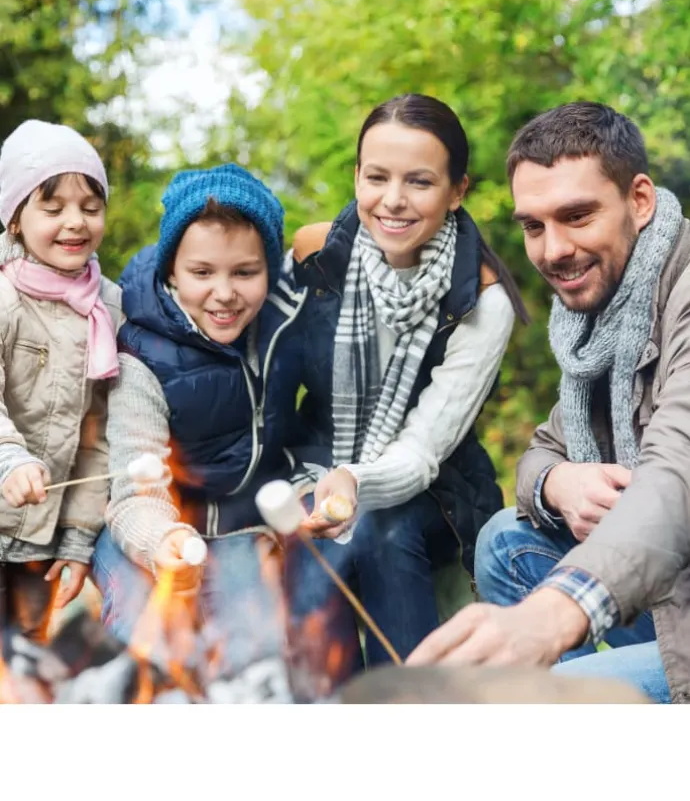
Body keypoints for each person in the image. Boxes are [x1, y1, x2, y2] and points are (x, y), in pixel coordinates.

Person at [407, 101, 690, 705]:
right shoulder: (599, 319)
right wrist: (557, 481)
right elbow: (544, 448)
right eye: (534, 227)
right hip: (669, 587)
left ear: (640, 200)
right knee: (505, 539)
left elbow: (675, 477)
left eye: (577, 216)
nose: (553, 249)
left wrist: (555, 614)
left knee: (546, 698)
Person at [91, 163, 361, 691]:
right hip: (149, 531)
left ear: (269, 269)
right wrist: (163, 538)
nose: (224, 293)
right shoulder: (141, 355)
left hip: (242, 529)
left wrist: (310, 487)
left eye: (244, 272)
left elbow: (319, 425)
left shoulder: (284, 329)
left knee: (254, 658)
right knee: (149, 643)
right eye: (202, 272)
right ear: (172, 272)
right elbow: (132, 493)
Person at [290, 93, 528, 665]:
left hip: (438, 491)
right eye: (377, 177)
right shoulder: (315, 253)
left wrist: (353, 481)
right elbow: (270, 376)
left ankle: (409, 698)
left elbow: (423, 451)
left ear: (457, 190)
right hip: (315, 460)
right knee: (300, 547)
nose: (393, 200)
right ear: (357, 177)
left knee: (381, 527)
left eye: (419, 182)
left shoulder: (483, 302)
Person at [0, 119, 121, 641]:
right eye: (53, 209)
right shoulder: (5, 298)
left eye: (90, 207)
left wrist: (77, 538)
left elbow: (99, 436)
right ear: (15, 220)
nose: (75, 222)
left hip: (40, 541)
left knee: (24, 662)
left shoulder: (108, 307)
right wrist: (10, 460)